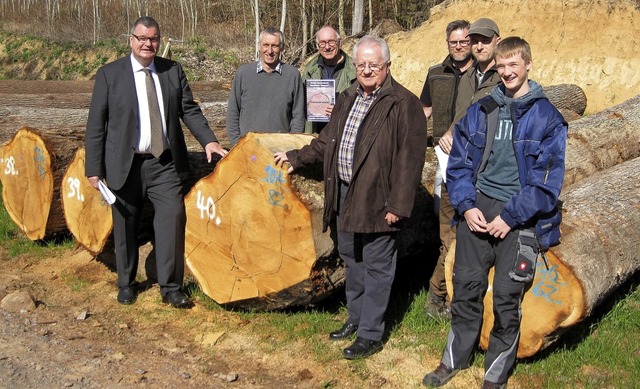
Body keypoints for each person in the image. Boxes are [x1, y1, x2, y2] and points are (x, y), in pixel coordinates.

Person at [421, 37, 567, 389]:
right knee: (467, 288)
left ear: (528, 64)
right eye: (501, 66)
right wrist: (467, 205)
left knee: (505, 297)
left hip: (519, 216)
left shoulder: (548, 117)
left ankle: (495, 373)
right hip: (478, 207)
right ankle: (454, 358)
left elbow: (547, 183)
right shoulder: (482, 109)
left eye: (514, 65)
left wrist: (510, 218)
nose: (507, 72)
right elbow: (458, 165)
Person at [274, 36, 427, 360]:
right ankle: (355, 319)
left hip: (379, 199)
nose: (367, 70)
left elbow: (410, 159)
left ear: (387, 66)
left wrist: (398, 206)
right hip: (343, 194)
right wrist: (295, 156)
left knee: (376, 267)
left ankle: (371, 334)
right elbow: (327, 140)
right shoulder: (346, 97)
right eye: (362, 65)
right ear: (355, 67)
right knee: (352, 261)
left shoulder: (404, 103)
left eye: (374, 64)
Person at [84, 16, 228, 308]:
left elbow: (189, 110)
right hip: (125, 163)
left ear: (159, 41)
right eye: (142, 38)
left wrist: (209, 140)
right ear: (131, 40)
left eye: (153, 39)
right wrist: (94, 169)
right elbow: (96, 125)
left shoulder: (172, 70)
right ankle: (126, 283)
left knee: (172, 218)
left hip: (163, 163)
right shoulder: (110, 75)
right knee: (125, 223)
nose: (147, 44)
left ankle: (171, 287)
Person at [419, 19, 474, 320]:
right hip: (444, 163)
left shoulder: (483, 76)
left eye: (464, 41)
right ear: (447, 43)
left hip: (475, 164)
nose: (459, 46)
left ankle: (457, 296)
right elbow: (423, 110)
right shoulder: (436, 74)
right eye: (454, 42)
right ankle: (438, 297)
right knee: (448, 233)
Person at [226, 27, 305, 146]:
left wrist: (291, 147)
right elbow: (233, 113)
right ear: (259, 46)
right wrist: (238, 143)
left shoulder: (292, 75)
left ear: (282, 47)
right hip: (248, 148)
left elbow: (298, 115)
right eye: (266, 45)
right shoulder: (243, 73)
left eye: (275, 46)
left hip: (280, 150)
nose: (270, 50)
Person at [301, 25, 356, 134]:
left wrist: (341, 110)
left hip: (342, 132)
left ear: (339, 43)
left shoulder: (354, 70)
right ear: (317, 46)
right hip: (316, 133)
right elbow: (300, 105)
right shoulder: (309, 69)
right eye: (322, 43)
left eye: (331, 42)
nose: (327, 47)